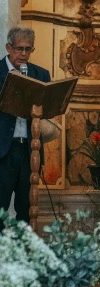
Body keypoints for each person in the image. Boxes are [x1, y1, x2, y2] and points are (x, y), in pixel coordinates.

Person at [0, 26, 50, 224]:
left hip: (30, 151)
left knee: (27, 209)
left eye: (28, 49)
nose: (23, 54)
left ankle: (24, 254)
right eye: (19, 48)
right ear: (8, 47)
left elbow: (49, 109)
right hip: (4, 151)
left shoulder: (41, 75)